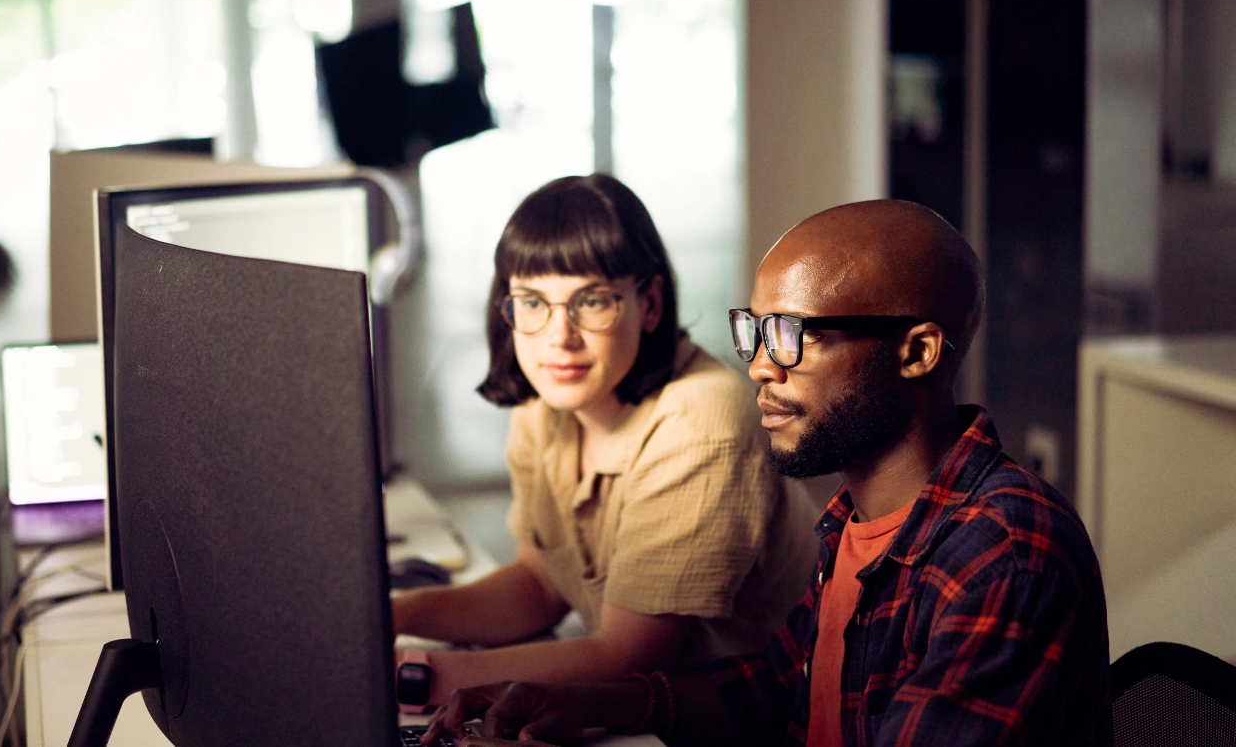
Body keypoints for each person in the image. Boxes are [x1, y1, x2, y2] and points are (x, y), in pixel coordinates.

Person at [423, 200, 1111, 747]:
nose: (757, 366)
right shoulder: (855, 516)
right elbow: (783, 685)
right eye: (754, 331)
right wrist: (591, 703)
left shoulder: (1005, 555)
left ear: (917, 351)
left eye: (790, 335)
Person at [389, 174, 818, 710]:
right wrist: (397, 614)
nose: (558, 336)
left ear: (651, 303)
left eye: (591, 302)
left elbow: (629, 655)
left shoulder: (702, 418)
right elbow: (540, 585)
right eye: (532, 302)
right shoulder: (549, 399)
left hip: (736, 722)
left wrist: (425, 675)